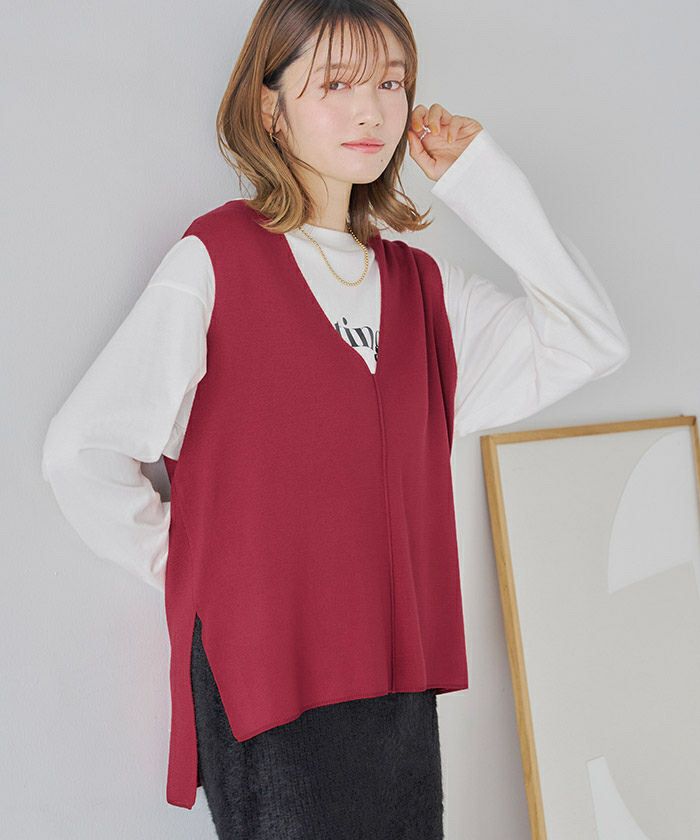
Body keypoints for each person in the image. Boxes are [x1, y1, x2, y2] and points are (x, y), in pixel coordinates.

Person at [41, 0, 631, 837]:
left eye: (391, 82)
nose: (371, 111)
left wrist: (480, 177)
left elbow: (591, 339)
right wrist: (202, 571)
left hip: (395, 685)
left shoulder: (423, 289)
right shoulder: (214, 261)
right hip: (269, 677)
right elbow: (81, 451)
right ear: (270, 107)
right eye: (336, 84)